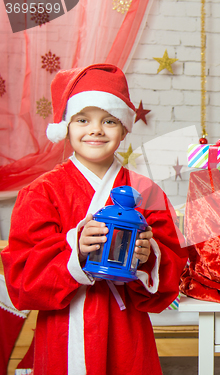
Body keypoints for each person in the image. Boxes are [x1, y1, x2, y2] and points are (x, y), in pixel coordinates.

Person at [1, 64, 189, 375]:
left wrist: (148, 256)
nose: (96, 130)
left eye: (109, 121)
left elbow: (174, 264)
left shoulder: (147, 190)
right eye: (83, 120)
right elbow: (22, 279)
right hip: (65, 326)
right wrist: (76, 248)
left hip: (125, 327)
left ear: (125, 128)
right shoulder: (41, 192)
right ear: (66, 126)